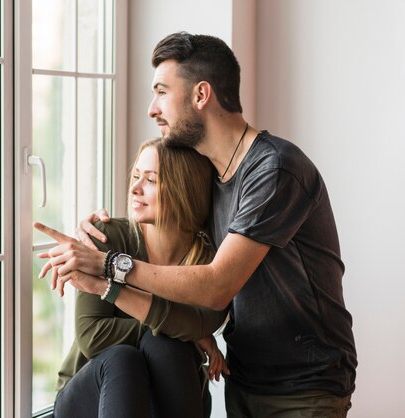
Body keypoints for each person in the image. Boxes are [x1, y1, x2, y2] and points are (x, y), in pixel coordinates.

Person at [36, 31, 357, 417]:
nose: (152, 109)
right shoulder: (213, 180)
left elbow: (217, 285)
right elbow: (163, 217)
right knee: (159, 347)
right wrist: (94, 230)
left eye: (161, 92)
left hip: (305, 387)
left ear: (201, 95)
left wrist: (108, 266)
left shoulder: (275, 170)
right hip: (248, 379)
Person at [38, 138, 228, 418]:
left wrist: (185, 331)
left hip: (167, 399)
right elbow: (91, 335)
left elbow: (201, 322)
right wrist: (183, 330)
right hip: (92, 397)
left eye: (150, 180)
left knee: (165, 344)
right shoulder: (106, 237)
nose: (135, 189)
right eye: (136, 176)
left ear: (183, 189)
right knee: (123, 357)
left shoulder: (210, 261)